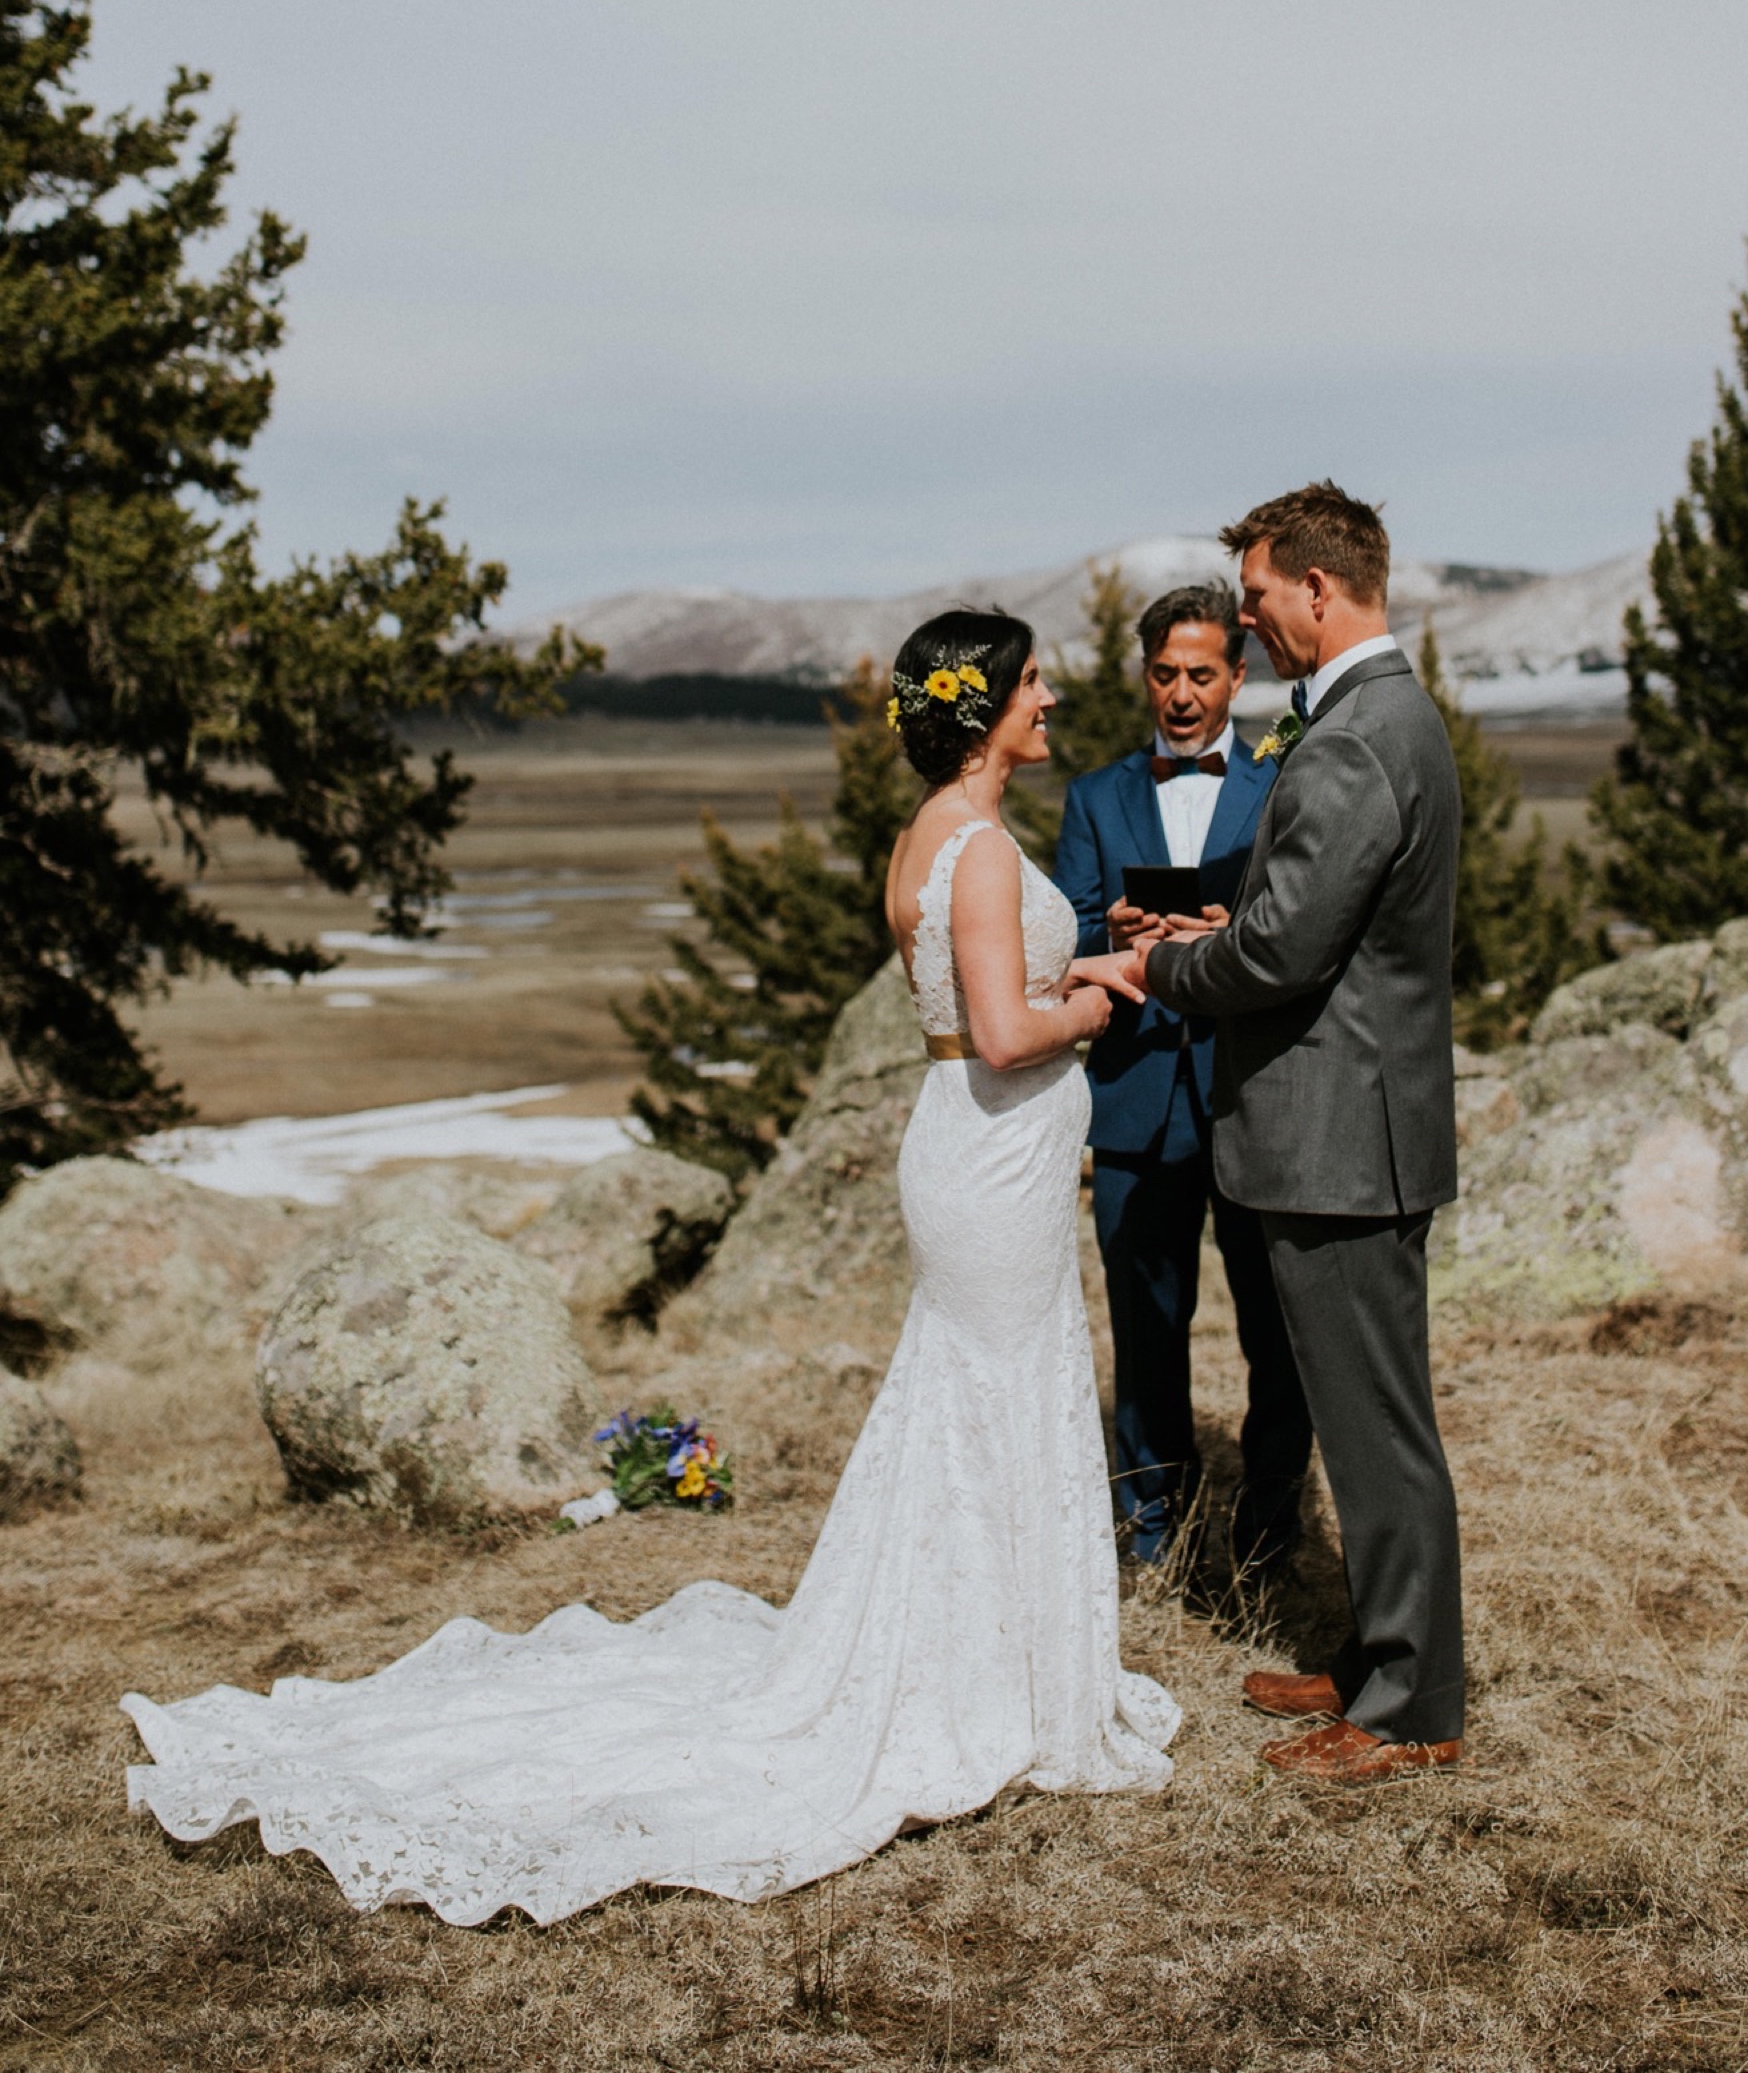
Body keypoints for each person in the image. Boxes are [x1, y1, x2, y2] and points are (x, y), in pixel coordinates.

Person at [123, 612, 1177, 1921]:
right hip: (990, 1154)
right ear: (982, 712)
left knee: (977, 1394)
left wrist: (1071, 952)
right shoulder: (971, 850)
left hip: (978, 1154)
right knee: (991, 1386)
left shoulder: (937, 839)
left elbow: (975, 990)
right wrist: (1103, 992)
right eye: (1031, 681)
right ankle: (980, 1680)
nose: (1052, 694)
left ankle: (991, 1661)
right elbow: (1007, 1029)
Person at [1133, 483, 1466, 1787]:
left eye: (1262, 600)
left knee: (1380, 1434)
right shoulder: (1380, 718)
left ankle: (1410, 1712)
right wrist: (1215, 935)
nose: (1255, 624)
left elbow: (1279, 951)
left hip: (1341, 1142)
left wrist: (1163, 972)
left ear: (1319, 591)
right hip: (1352, 1129)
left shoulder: (1354, 737)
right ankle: (1382, 1656)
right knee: (1363, 1417)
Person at [1052, 581, 1312, 1572]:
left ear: (1236, 677)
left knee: (1274, 1331)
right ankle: (1149, 1530)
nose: (1179, 692)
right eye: (1163, 672)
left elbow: (1300, 924)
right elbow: (1063, 930)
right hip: (1132, 1103)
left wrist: (1228, 937)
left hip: (1252, 1094)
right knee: (1145, 1329)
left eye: (1200, 673)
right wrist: (1106, 928)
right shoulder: (1094, 794)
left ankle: (1268, 1531)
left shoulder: (1279, 782)